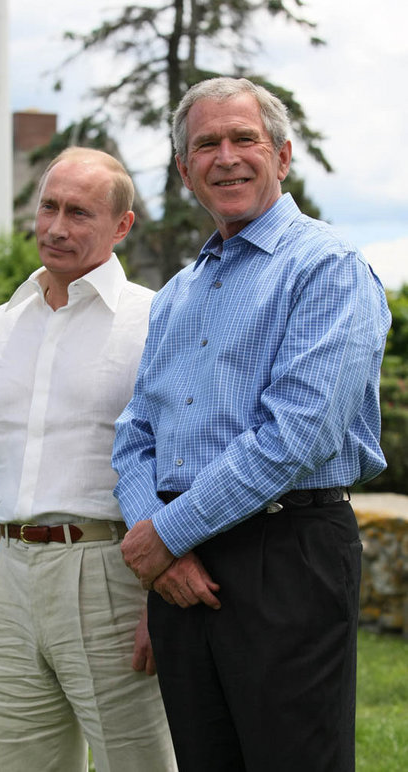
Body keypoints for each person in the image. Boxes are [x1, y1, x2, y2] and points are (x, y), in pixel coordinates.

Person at [112, 78, 391, 772]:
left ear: (282, 155)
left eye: (244, 139)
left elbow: (295, 436)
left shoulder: (327, 270)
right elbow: (133, 436)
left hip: (285, 553)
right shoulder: (177, 292)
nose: (225, 156)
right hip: (182, 570)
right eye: (206, 143)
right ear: (184, 172)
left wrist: (164, 537)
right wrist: (163, 545)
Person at [0, 147, 177, 772]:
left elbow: (181, 468)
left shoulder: (156, 320)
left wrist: (160, 602)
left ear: (122, 226)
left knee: (140, 764)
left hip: (113, 577)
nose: (57, 227)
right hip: (13, 579)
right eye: (48, 206)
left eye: (79, 212)